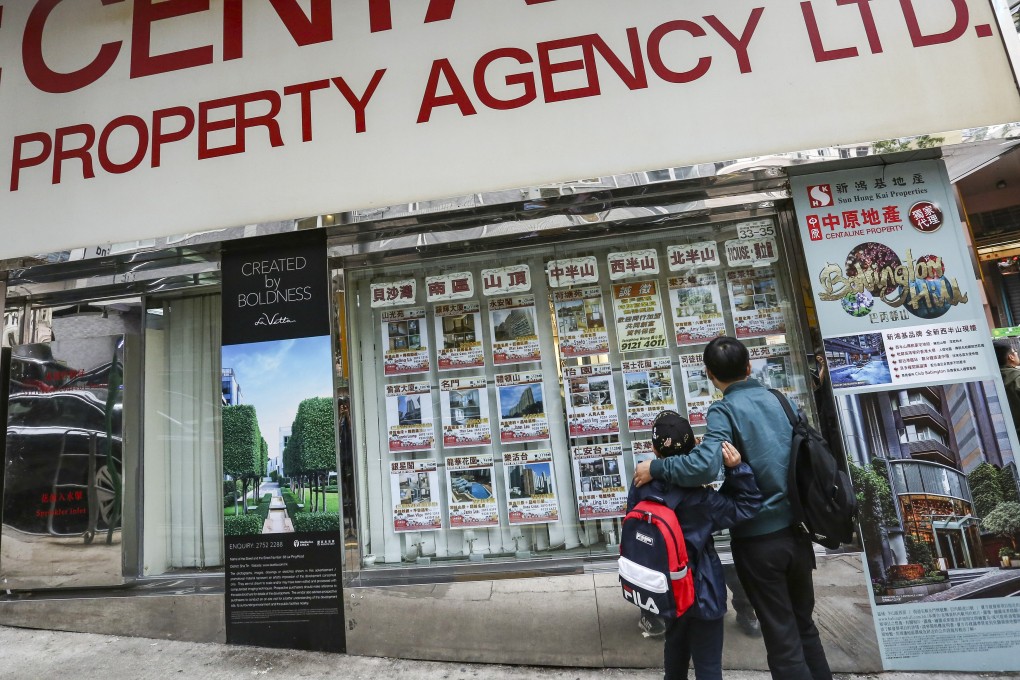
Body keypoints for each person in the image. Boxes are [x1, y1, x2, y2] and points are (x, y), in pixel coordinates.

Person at [634, 336, 833, 680]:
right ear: (748, 366)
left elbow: (705, 467)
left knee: (782, 638)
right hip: (798, 534)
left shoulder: (724, 409)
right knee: (804, 628)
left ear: (710, 374)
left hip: (759, 542)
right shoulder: (779, 400)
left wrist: (655, 468)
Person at [627, 410, 762, 680]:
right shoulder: (702, 499)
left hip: (665, 587)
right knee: (708, 665)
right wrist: (736, 470)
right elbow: (747, 505)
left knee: (674, 656)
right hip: (703, 590)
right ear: (695, 450)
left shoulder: (640, 486)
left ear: (654, 450)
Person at [994, 340, 1020, 435]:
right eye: (1014, 351)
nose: (1016, 353)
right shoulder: (1017, 379)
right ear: (1011, 357)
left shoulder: (992, 383)